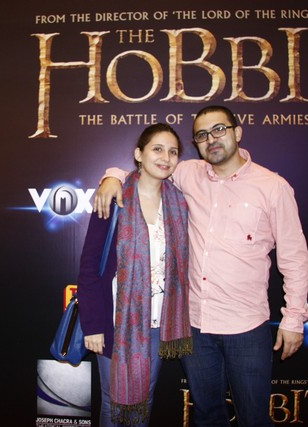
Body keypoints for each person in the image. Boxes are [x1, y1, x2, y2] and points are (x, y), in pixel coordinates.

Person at [93, 105, 308, 427]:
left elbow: (294, 256)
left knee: (254, 418)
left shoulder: (272, 186)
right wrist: (112, 176)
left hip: (247, 327)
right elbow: (146, 171)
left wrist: (293, 318)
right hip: (194, 326)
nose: (212, 139)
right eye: (202, 135)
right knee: (207, 416)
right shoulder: (187, 173)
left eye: (219, 129)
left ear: (237, 133)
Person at [78, 123, 193, 427]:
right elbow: (90, 267)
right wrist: (93, 325)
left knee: (145, 400)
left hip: (158, 324)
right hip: (116, 322)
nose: (166, 157)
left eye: (173, 152)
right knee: (112, 403)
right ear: (139, 154)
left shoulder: (179, 203)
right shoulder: (113, 198)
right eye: (158, 149)